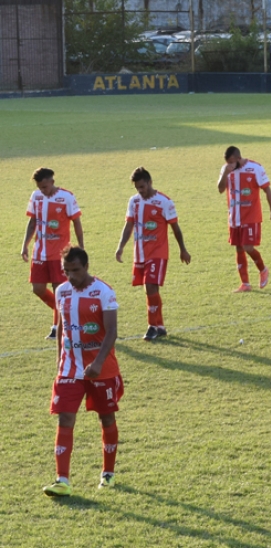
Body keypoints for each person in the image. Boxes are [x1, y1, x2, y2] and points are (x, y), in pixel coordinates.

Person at [43, 246, 123, 497]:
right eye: (66, 271)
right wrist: (60, 360)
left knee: (106, 418)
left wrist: (98, 363)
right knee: (65, 419)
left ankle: (108, 473)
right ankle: (62, 480)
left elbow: (112, 332)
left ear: (86, 267)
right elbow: (61, 327)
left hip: (101, 369)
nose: (70, 276)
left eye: (75, 270)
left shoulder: (103, 292)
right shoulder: (61, 291)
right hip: (70, 368)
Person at [115, 167, 191, 341]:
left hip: (158, 252)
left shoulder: (164, 202)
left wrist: (183, 249)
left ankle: (152, 326)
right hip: (140, 252)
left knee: (150, 286)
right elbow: (129, 225)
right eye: (137, 188)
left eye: (142, 187)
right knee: (150, 289)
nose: (140, 191)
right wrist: (120, 247)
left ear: (150, 182)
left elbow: (175, 228)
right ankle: (160, 326)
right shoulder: (134, 201)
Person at [21, 168, 84, 340]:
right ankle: (64, 313)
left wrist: (81, 246)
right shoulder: (36, 196)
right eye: (40, 187)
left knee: (59, 291)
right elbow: (32, 221)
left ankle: (57, 327)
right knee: (38, 289)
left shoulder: (66, 197)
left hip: (59, 254)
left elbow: (76, 222)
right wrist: (25, 245)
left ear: (52, 182)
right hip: (39, 252)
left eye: (45, 187)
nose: (42, 190)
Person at [217, 145, 271, 293]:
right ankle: (245, 284)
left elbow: (267, 190)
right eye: (227, 162)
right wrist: (225, 173)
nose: (229, 165)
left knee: (248, 247)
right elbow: (220, 189)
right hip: (234, 216)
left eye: (232, 162)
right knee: (238, 248)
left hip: (251, 216)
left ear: (239, 158)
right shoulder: (226, 170)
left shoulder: (255, 168)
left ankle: (263, 269)